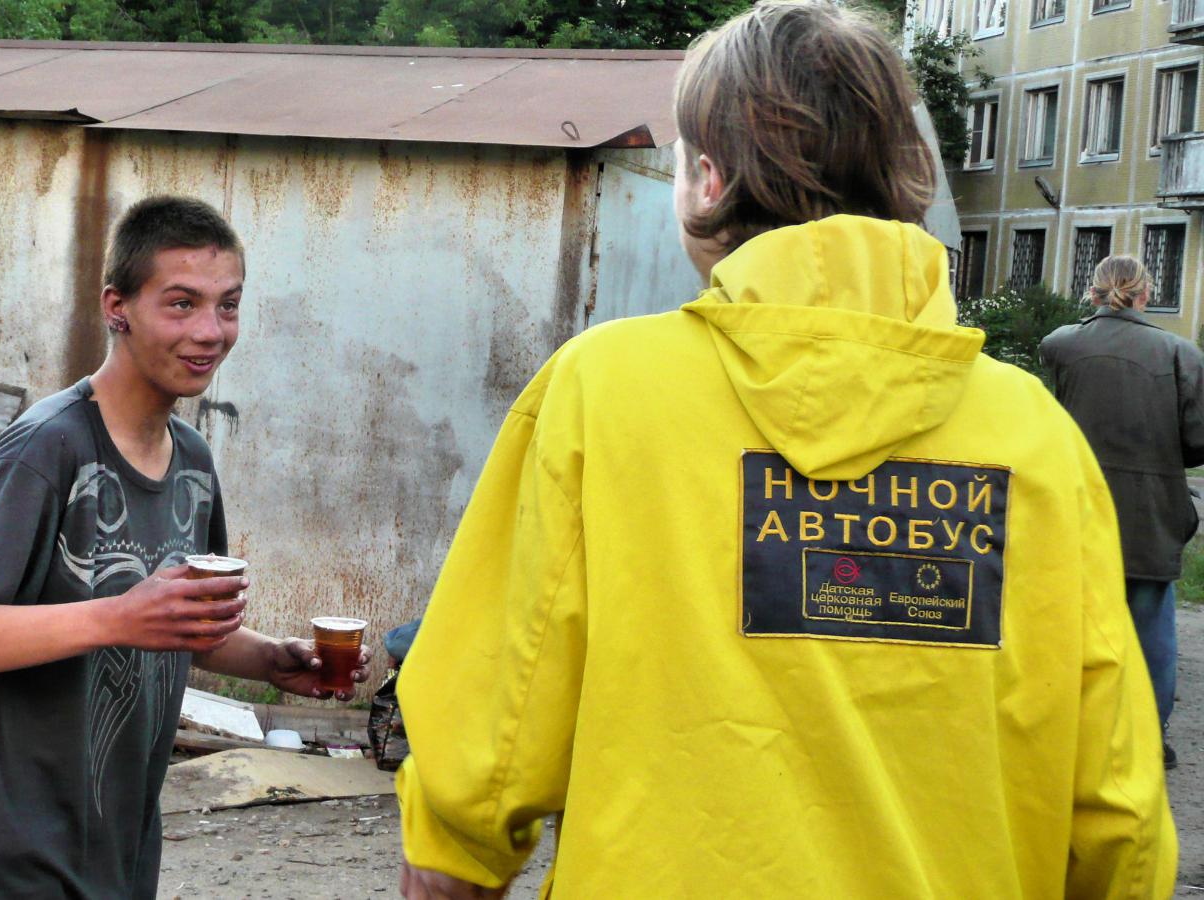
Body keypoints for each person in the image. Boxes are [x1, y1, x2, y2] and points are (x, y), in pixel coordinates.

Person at [394, 2, 1176, 897]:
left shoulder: (603, 392)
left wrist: (456, 855)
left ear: (708, 179)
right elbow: (1115, 805)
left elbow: (493, 735)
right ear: (900, 175)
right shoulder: (1032, 433)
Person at [0, 195, 370, 899]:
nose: (210, 331)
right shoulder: (45, 449)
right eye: (181, 304)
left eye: (228, 306)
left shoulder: (192, 461)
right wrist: (118, 617)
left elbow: (178, 627)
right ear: (117, 307)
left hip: (118, 846)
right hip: (10, 856)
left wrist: (274, 661)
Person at [1041, 254, 1204, 770]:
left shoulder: (1060, 346)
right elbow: (1197, 443)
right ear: (1145, 295)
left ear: (1092, 292)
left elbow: (1048, 421)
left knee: (1070, 624)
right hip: (1150, 514)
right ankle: (1148, 738)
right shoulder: (1181, 354)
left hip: (1075, 508)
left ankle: (1067, 734)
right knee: (1151, 626)